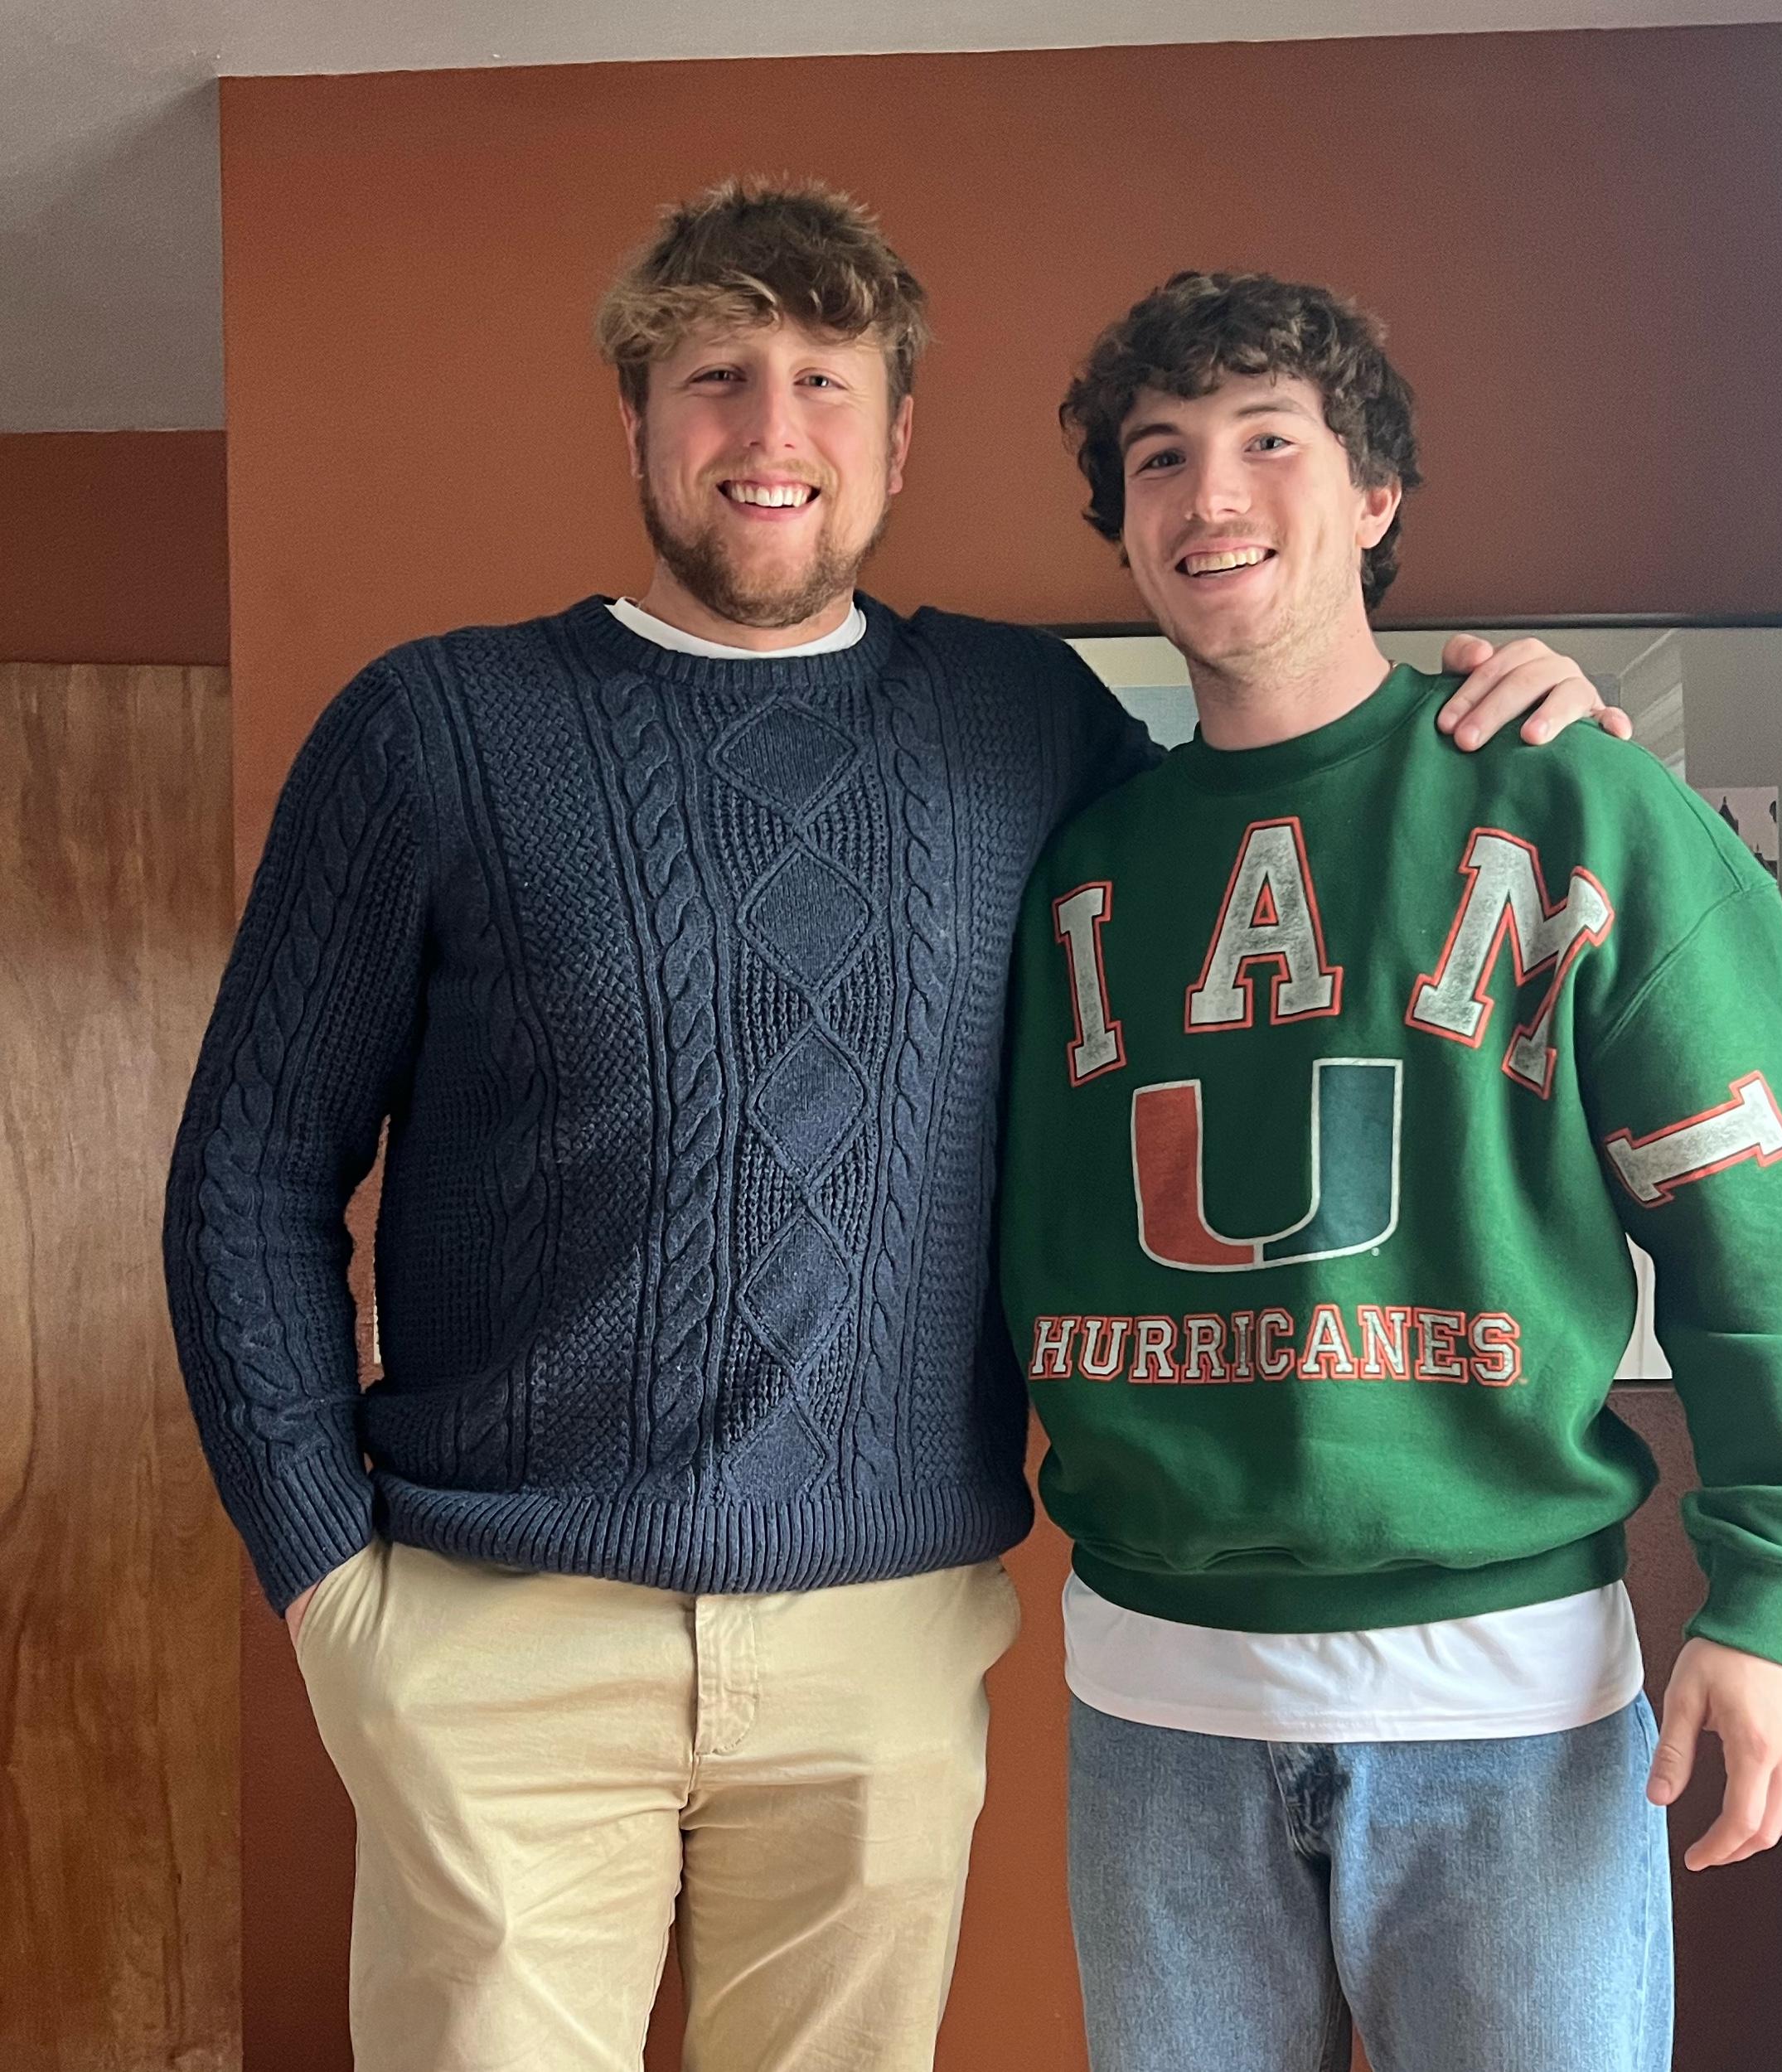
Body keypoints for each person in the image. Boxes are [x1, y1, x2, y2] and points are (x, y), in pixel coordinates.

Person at [162, 183, 1621, 2072]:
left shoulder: (1024, 721)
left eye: (824, 382)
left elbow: (1278, 819)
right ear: (635, 419)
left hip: (881, 1646)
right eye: (716, 378)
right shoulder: (436, 728)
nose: (770, 431)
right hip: (498, 1630)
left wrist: (1510, 723)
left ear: (898, 436)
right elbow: (249, 1174)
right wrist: (327, 1584)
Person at [998, 269, 1782, 2072]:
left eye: (1269, 439)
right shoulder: (1071, 857)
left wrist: (1777, 1597)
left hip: (1514, 1703)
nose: (1210, 494)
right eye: (1159, 456)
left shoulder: (1578, 801)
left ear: (1374, 495)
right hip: (1153, 1703)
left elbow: (1764, 1235)